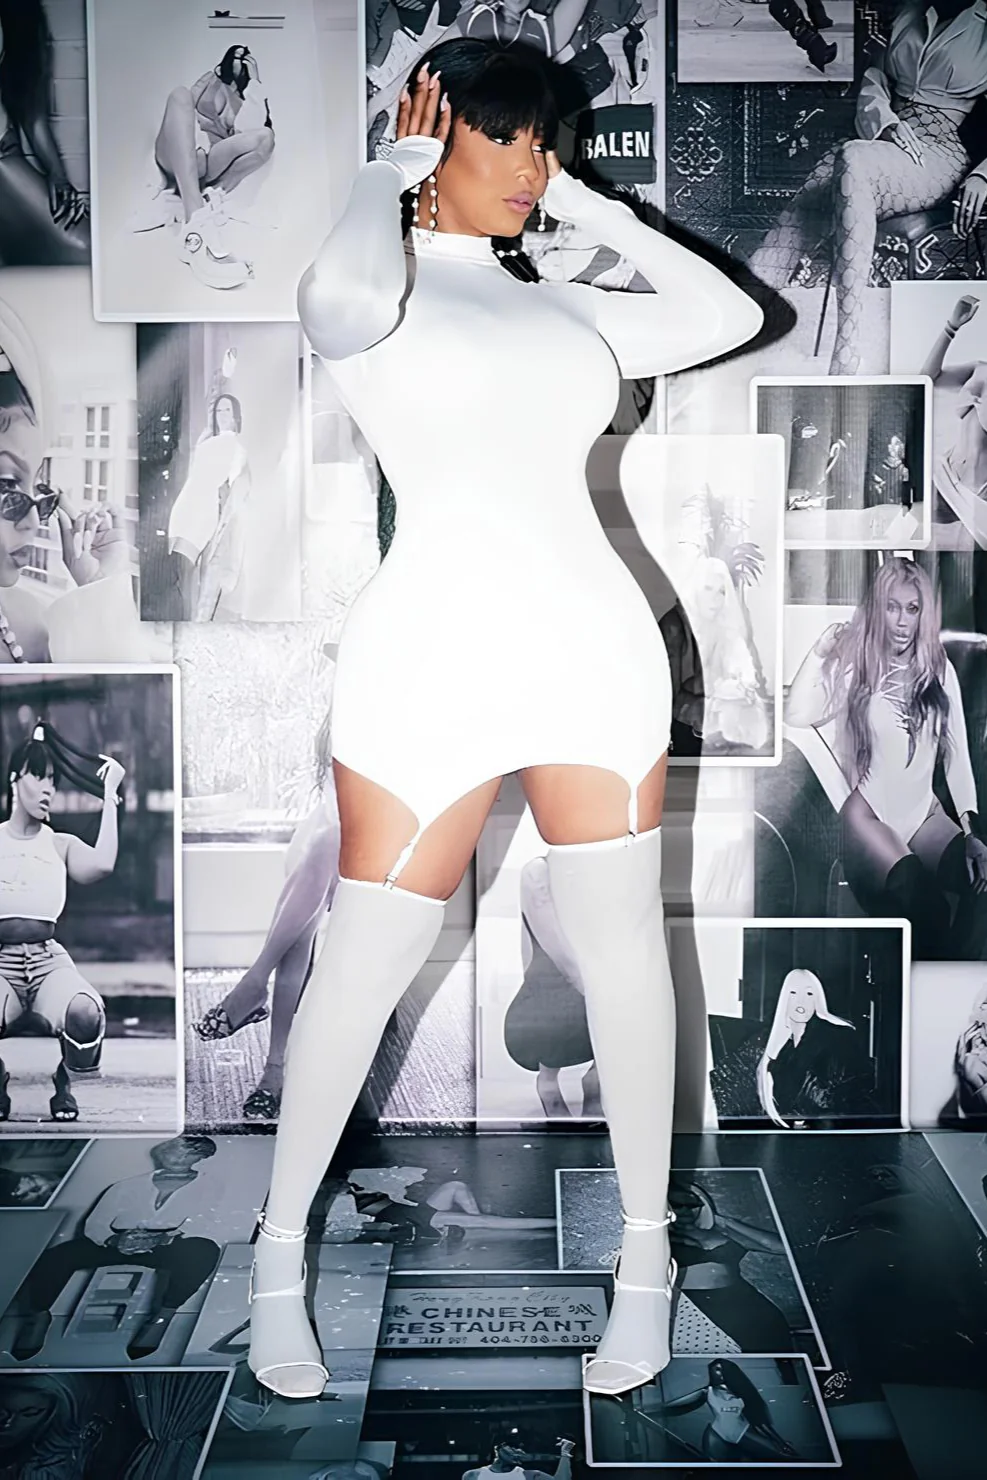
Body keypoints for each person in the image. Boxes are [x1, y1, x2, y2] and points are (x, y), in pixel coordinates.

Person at [246, 37, 761, 1404]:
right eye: (510, 137)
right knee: (363, 960)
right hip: (429, 660)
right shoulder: (383, 287)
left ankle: (644, 1263)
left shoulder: (562, 303)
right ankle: (275, 1263)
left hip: (590, 652)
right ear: (434, 131)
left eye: (547, 139)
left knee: (624, 958)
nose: (535, 163)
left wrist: (586, 204)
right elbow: (334, 299)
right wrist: (387, 176)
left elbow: (723, 315)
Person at [749, 0, 987, 375]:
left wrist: (983, 174)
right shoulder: (911, 10)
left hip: (938, 153)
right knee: (812, 197)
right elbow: (876, 78)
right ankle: (740, 317)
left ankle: (848, 346)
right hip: (884, 139)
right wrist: (886, 123)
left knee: (851, 158)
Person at [785, 556, 987, 958]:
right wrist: (821, 651)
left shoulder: (938, 669)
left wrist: (971, 834)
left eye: (912, 608)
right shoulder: (858, 666)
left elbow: (957, 758)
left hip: (923, 816)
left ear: (923, 613)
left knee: (981, 884)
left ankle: (951, 983)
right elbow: (797, 715)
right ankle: (926, 985)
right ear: (879, 609)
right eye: (892, 607)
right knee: (924, 902)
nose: (901, 621)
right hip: (870, 819)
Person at [0, 295, 148, 663]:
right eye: (6, 483)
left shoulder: (29, 626)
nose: (33, 519)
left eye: (38, 487)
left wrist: (100, 587)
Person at [0, 722, 123, 1124]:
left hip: (48, 962)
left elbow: (102, 865)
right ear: (15, 780)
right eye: (39, 776)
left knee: (86, 1012)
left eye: (53, 779)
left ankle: (63, 1079)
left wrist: (110, 794)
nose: (48, 789)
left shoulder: (59, 843)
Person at [9, 1134, 222, 1363]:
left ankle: (162, 1317)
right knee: (56, 1256)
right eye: (176, 1151)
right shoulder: (126, 1185)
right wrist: (114, 1240)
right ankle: (38, 1316)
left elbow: (204, 1222)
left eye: (190, 1154)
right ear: (163, 1151)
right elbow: (95, 1224)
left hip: (168, 1243)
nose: (180, 1158)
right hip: (118, 1240)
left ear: (201, 1158)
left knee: (205, 1251)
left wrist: (161, 1239)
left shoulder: (208, 1186)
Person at [133, 44, 274, 290]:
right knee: (180, 95)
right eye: (237, 56)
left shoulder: (246, 98)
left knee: (266, 137)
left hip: (210, 161)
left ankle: (211, 194)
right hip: (180, 151)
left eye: (246, 58)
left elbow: (250, 128)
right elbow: (182, 111)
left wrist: (255, 83)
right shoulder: (210, 81)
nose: (240, 61)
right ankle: (195, 216)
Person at [503, 854, 601, 1118]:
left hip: (583, 961)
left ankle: (591, 1082)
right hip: (558, 969)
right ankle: (552, 1086)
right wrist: (580, 980)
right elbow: (547, 931)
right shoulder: (538, 871)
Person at [0, 0, 90, 268]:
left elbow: (30, 107)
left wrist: (58, 175)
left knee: (86, 248)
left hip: (3, 157)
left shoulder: (17, 11)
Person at [667, 1178, 794, 1352]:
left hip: (745, 1302)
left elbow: (781, 1247)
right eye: (677, 1205)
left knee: (771, 1351)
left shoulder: (721, 1232)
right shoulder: (661, 1239)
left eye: (691, 1204)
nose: (685, 1210)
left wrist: (725, 1221)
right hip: (697, 1308)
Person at [168, 391, 251, 621]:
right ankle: (189, 617)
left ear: (235, 416)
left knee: (200, 576)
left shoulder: (238, 449)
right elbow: (194, 478)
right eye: (218, 410)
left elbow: (232, 485)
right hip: (190, 510)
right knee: (183, 573)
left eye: (227, 410)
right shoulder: (206, 443)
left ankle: (196, 620)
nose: (222, 415)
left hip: (211, 515)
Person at [922, 292, 987, 544]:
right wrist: (952, 327)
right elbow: (926, 379)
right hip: (945, 471)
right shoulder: (980, 369)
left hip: (976, 492)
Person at [642, 1357, 799, 1461]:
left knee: (782, 1458)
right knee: (715, 1469)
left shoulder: (744, 1393)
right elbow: (678, 1405)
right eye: (714, 1370)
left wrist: (780, 1443)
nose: (716, 1373)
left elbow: (760, 1422)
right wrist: (647, 1410)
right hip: (716, 1434)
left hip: (742, 1432)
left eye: (719, 1369)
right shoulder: (707, 1392)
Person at [464, 1437, 575, 1479]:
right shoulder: (473, 1475)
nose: (519, 1452)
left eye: (522, 1449)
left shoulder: (529, 1476)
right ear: (497, 1448)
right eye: (513, 1447)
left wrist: (565, 1453)